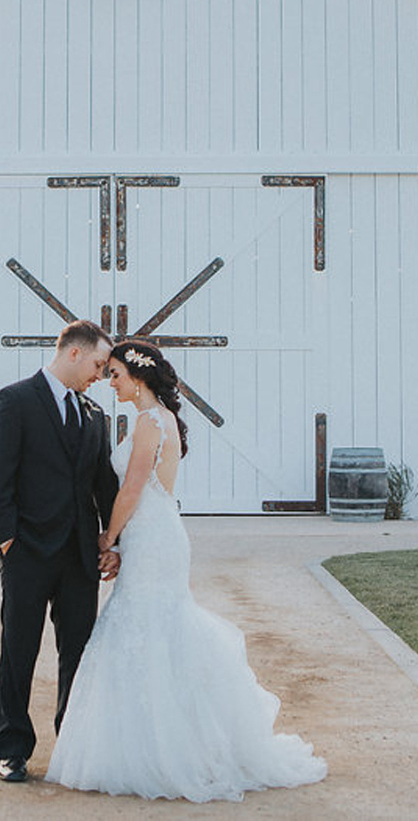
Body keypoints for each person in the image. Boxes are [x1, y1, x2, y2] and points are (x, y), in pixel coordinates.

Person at [46, 339, 327, 801]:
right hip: (154, 536)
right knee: (158, 630)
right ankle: (158, 743)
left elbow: (132, 490)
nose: (109, 382)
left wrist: (106, 537)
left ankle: (166, 752)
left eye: (114, 374)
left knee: (148, 629)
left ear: (137, 377)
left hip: (151, 537)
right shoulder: (161, 420)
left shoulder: (148, 422)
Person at [0, 319, 120, 784]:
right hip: (28, 553)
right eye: (99, 364)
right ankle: (13, 749)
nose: (100, 375)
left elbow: (104, 485)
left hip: (80, 555)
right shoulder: (14, 401)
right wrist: (7, 542)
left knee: (77, 653)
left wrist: (113, 541)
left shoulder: (95, 415)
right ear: (74, 353)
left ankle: (71, 745)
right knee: (18, 650)